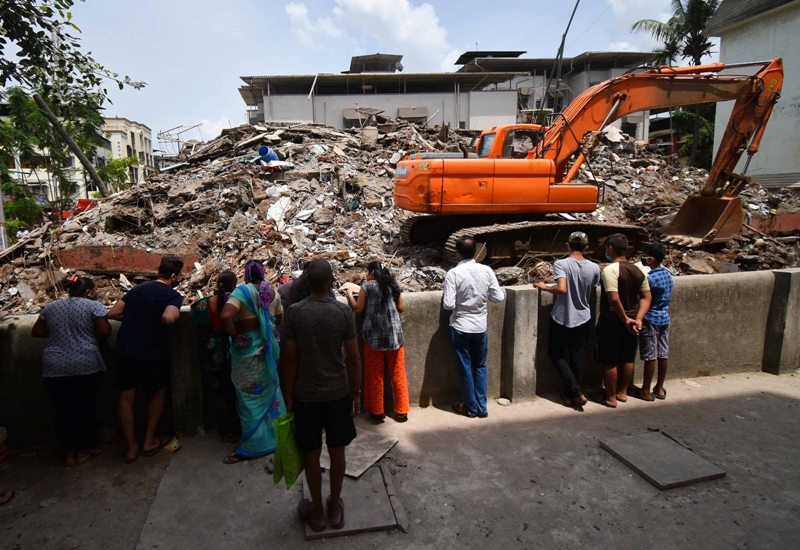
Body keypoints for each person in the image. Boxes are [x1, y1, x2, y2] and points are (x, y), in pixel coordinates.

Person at [282, 259, 360, 532]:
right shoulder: (343, 313)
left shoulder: (294, 313)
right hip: (338, 393)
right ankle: (334, 507)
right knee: (337, 453)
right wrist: (356, 393)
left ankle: (316, 513)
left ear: (306, 281)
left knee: (311, 454)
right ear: (331, 281)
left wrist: (288, 395)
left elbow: (289, 360)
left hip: (305, 396)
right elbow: (353, 358)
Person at [108, 255, 184, 463]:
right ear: (173, 276)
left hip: (124, 349)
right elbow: (169, 318)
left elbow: (113, 312)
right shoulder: (171, 295)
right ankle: (149, 440)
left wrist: (135, 318)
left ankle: (131, 447)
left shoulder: (136, 290)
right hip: (150, 352)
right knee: (157, 392)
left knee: (126, 397)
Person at [31, 275, 111, 466]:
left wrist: (61, 333)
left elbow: (37, 331)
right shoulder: (93, 306)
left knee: (63, 411)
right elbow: (104, 332)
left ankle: (69, 454)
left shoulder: (51, 307)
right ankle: (84, 449)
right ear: (89, 292)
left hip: (54, 366)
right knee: (85, 408)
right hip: (85, 364)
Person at [219, 260, 285, 464]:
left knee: (249, 397)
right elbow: (280, 317)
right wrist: (267, 329)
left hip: (248, 354)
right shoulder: (272, 292)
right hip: (268, 351)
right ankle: (276, 437)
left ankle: (254, 446)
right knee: (270, 393)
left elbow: (225, 315)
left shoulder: (242, 292)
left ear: (246, 275)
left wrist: (234, 335)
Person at [535, 231, 600, 409]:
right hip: (583, 317)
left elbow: (562, 288)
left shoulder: (560, 263)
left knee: (555, 354)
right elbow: (590, 287)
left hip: (562, 317)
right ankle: (570, 395)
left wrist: (545, 287)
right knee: (576, 357)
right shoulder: (594, 267)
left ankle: (576, 390)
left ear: (567, 245)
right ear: (586, 247)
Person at [443, 236, 505, 418]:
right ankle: (482, 407)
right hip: (480, 326)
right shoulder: (486, 271)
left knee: (465, 368)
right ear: (476, 252)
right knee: (480, 367)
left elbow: (448, 304)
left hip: (461, 326)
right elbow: (499, 297)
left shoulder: (453, 274)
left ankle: (471, 408)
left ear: (457, 253)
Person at [345, 261, 409, 423]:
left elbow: (358, 309)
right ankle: (402, 411)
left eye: (367, 272)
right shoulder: (393, 285)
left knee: (375, 375)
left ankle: (377, 412)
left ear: (372, 272)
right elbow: (401, 308)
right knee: (398, 373)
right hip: (394, 337)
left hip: (373, 338)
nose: (366, 275)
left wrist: (349, 296)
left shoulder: (367, 286)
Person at [596, 234, 651, 408]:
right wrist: (638, 318)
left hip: (613, 320)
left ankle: (610, 397)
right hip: (633, 321)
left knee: (610, 360)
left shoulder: (610, 270)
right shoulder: (638, 270)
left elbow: (613, 298)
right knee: (628, 357)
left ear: (610, 249)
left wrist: (625, 317)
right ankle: (622, 393)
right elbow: (646, 297)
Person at [190, 271, 240, 442]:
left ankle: (224, 430)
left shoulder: (205, 303)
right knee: (236, 391)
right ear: (234, 285)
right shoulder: (235, 302)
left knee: (220, 392)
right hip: (233, 351)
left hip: (213, 351)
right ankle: (237, 429)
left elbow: (194, 316)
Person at [639, 243, 674, 401]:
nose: (643, 259)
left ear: (651, 259)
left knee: (650, 356)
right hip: (664, 318)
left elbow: (644, 298)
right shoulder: (667, 275)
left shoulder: (650, 279)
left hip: (650, 319)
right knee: (663, 354)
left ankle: (646, 390)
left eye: (645, 256)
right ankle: (659, 387)